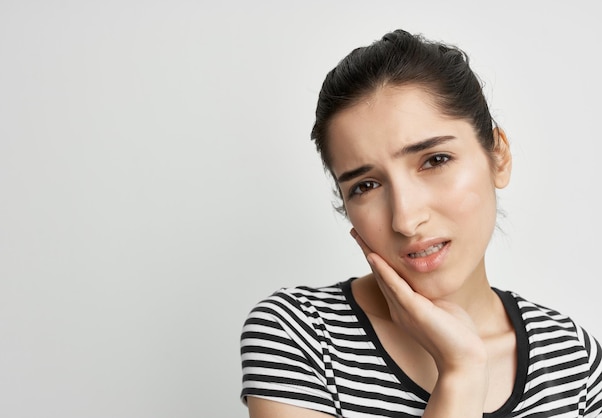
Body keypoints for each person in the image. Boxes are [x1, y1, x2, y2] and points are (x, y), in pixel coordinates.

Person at [239, 29, 602, 417]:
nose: (406, 219)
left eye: (435, 160)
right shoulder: (301, 334)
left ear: (498, 156)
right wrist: (460, 372)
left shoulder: (573, 360)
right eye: (366, 185)